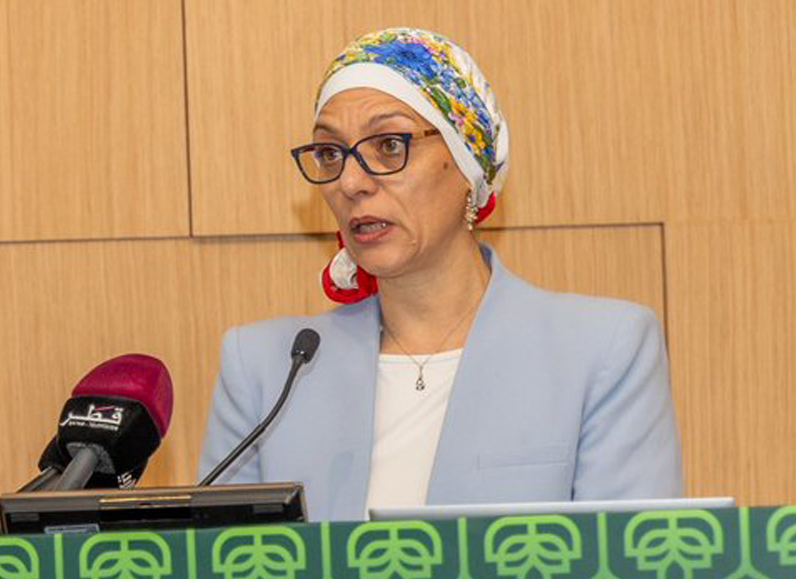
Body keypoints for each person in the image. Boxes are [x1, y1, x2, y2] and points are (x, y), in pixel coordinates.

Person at [199, 27, 684, 522]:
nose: (350, 182)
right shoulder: (266, 369)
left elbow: (629, 561)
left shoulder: (600, 351)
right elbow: (220, 565)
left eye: (389, 145)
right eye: (330, 153)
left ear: (467, 164)